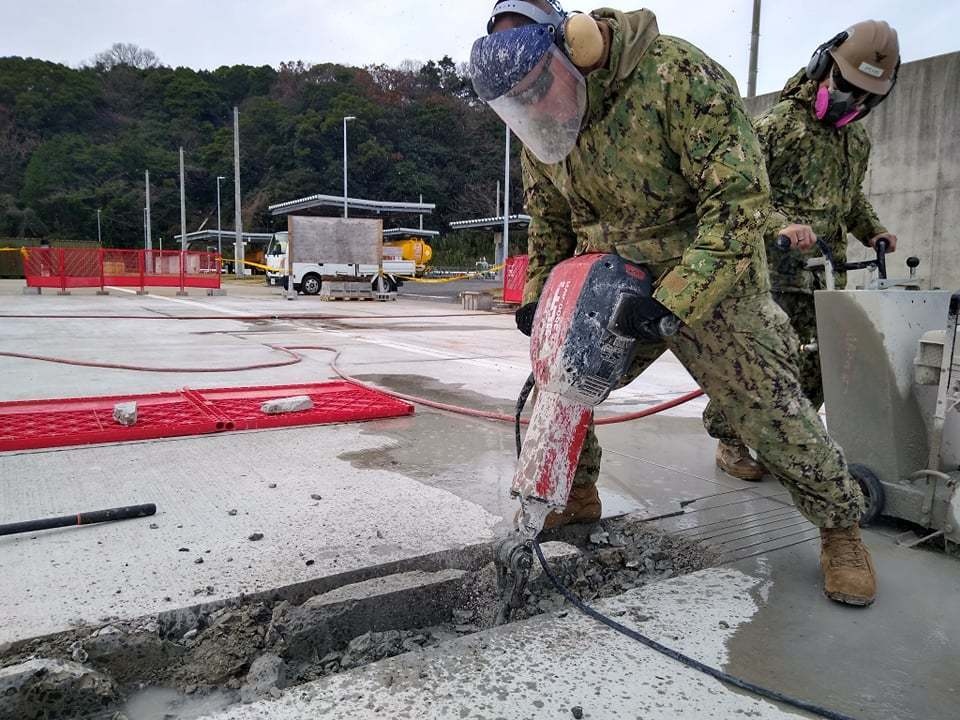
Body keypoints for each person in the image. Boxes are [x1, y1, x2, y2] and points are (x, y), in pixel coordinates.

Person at [471, 1, 876, 605]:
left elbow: (739, 205)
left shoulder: (676, 75)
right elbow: (550, 221)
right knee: (555, 384)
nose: (532, 106)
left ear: (572, 46)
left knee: (769, 407)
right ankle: (576, 495)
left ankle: (840, 528)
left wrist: (675, 300)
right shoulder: (543, 119)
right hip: (609, 272)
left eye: (536, 87)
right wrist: (538, 297)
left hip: (709, 270)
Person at [705, 21, 900, 481]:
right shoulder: (778, 126)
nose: (851, 101)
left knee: (816, 368)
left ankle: (779, 442)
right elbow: (742, 190)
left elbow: (850, 199)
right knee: (755, 364)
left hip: (825, 279)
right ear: (822, 66)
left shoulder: (857, 141)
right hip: (771, 274)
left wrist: (873, 231)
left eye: (864, 97)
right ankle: (728, 437)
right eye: (846, 87)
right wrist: (781, 226)